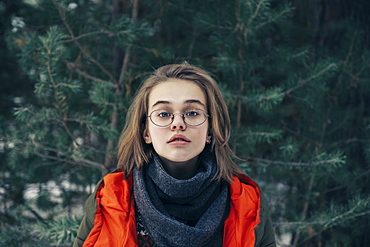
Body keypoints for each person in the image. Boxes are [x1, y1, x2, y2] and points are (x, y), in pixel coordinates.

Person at [73, 63, 276, 247]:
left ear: (211, 130)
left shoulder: (247, 204)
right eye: (163, 114)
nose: (178, 123)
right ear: (145, 132)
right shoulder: (111, 198)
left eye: (192, 113)